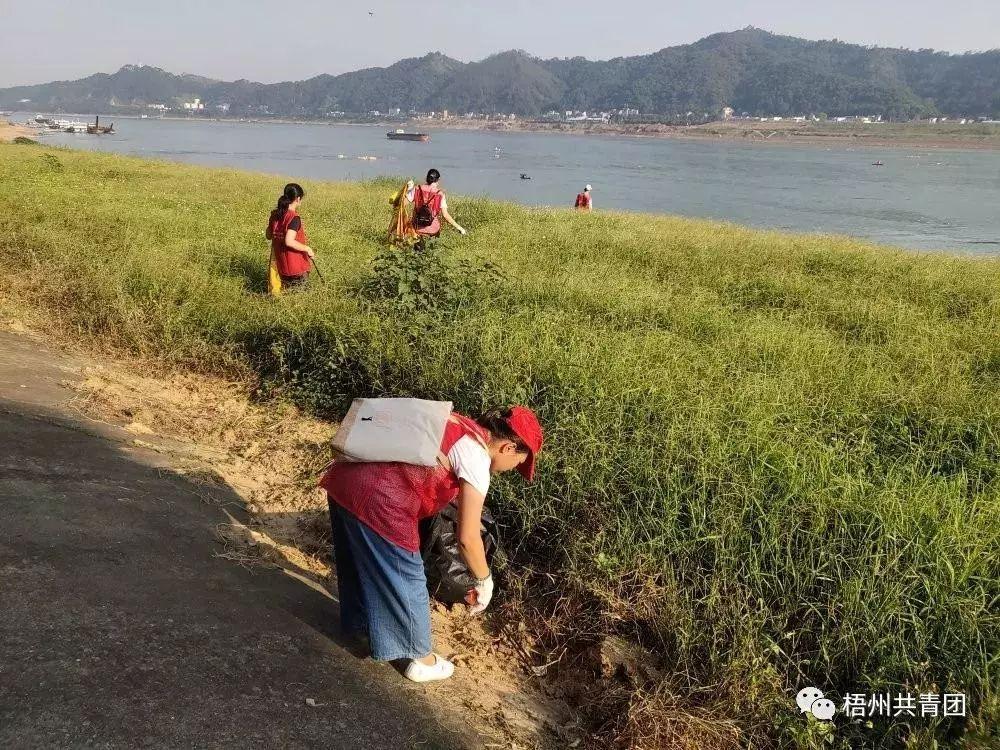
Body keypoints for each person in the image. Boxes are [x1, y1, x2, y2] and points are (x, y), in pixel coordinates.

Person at [319, 406, 543, 683]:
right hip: (381, 498)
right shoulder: (476, 457)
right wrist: (485, 581)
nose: (512, 470)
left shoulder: (455, 423)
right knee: (407, 572)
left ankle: (361, 626)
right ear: (508, 448)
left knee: (358, 558)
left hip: (345, 476)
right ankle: (420, 658)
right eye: (518, 464)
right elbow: (468, 538)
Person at [265, 183, 315, 290]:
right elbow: (289, 241)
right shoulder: (294, 217)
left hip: (281, 267)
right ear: (298, 199)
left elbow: (268, 235)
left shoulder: (274, 215)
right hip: (297, 267)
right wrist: (307, 248)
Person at [407, 168, 466, 249]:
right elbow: (445, 215)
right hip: (433, 230)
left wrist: (409, 189)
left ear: (426, 178)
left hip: (417, 229)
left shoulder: (417, 189)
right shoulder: (440, 194)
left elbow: (404, 203)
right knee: (431, 253)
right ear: (438, 180)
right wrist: (459, 228)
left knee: (417, 254)